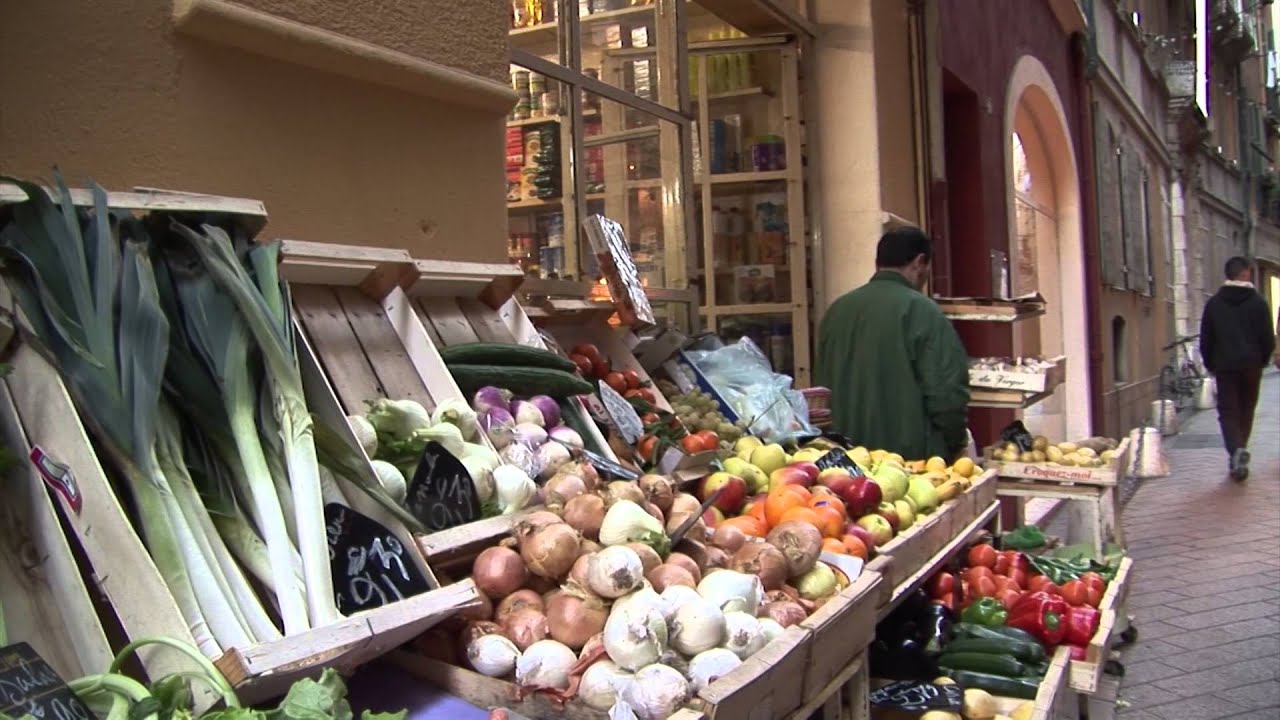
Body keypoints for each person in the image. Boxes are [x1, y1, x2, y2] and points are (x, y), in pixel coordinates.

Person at [815, 227, 970, 462]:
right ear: (919, 262)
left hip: (845, 462)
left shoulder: (837, 311)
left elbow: (822, 389)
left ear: (879, 262)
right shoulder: (923, 311)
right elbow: (946, 393)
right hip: (910, 463)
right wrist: (955, 442)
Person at [1199, 256, 1276, 481]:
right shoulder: (1258, 303)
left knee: (1228, 410)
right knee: (1246, 408)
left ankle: (1235, 450)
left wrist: (1210, 363)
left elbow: (1206, 339)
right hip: (1251, 365)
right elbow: (1267, 339)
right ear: (1245, 274)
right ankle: (1240, 447)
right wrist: (1261, 360)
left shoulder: (1214, 304)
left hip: (1224, 366)